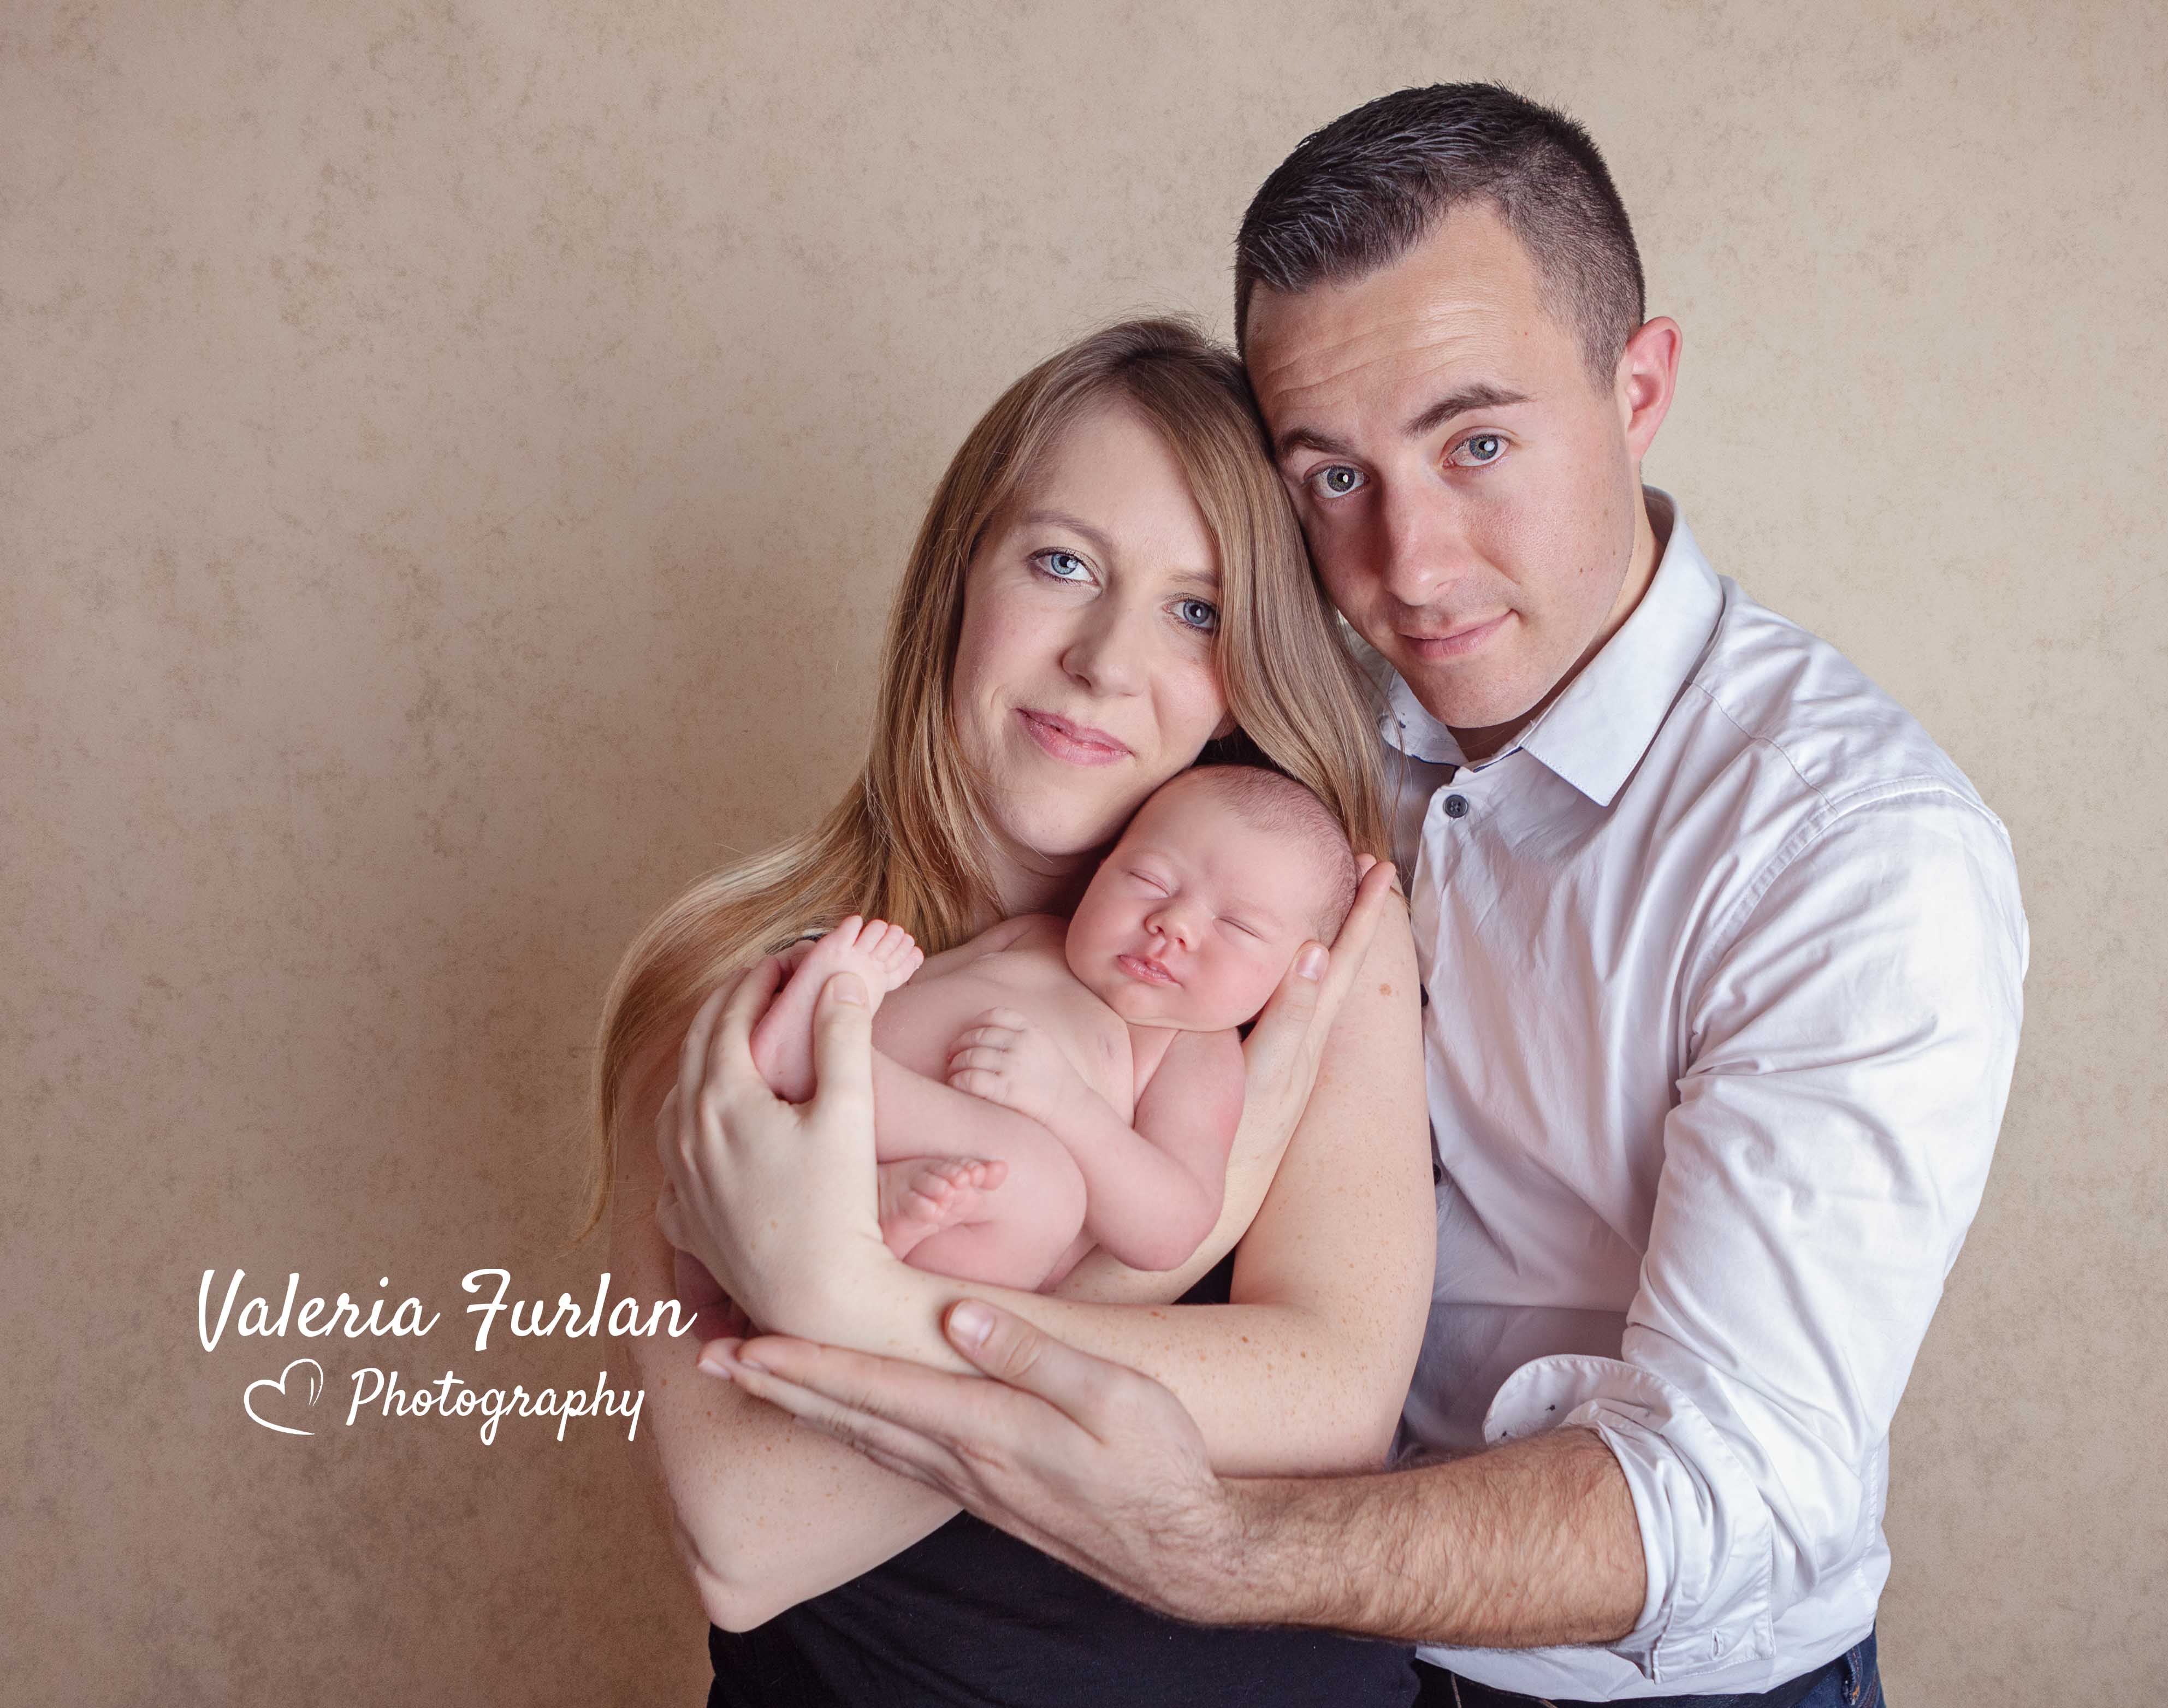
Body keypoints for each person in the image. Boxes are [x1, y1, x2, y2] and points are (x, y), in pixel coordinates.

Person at [680, 84, 2030, 1707]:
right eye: (1331, 475)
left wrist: (1206, 1538)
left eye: (1477, 443)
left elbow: (1734, 1491)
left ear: (1639, 387)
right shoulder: (1264, 747)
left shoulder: (1845, 851)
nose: (1408, 561)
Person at [598, 317, 1433, 1705]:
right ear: (956, 582)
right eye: (1063, 564)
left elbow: (1333, 1399)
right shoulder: (748, 981)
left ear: (1253, 664)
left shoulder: (1299, 933)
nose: (1106, 658)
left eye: (1197, 610)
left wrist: (851, 1305)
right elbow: (748, 1534)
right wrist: (1180, 1225)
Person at [745, 764, 1359, 1290]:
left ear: (1292, 974)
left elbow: (1172, 1228)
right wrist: (865, 974)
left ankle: (828, 1094)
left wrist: (1063, 1103)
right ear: (1101, 869)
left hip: (941, 1216)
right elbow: (914, 986)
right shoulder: (1035, 936)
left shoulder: (1192, 1051)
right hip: (787, 1136)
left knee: (1046, 1188)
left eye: (1238, 927)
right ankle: (818, 1059)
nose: (1174, 923)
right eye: (1150, 880)